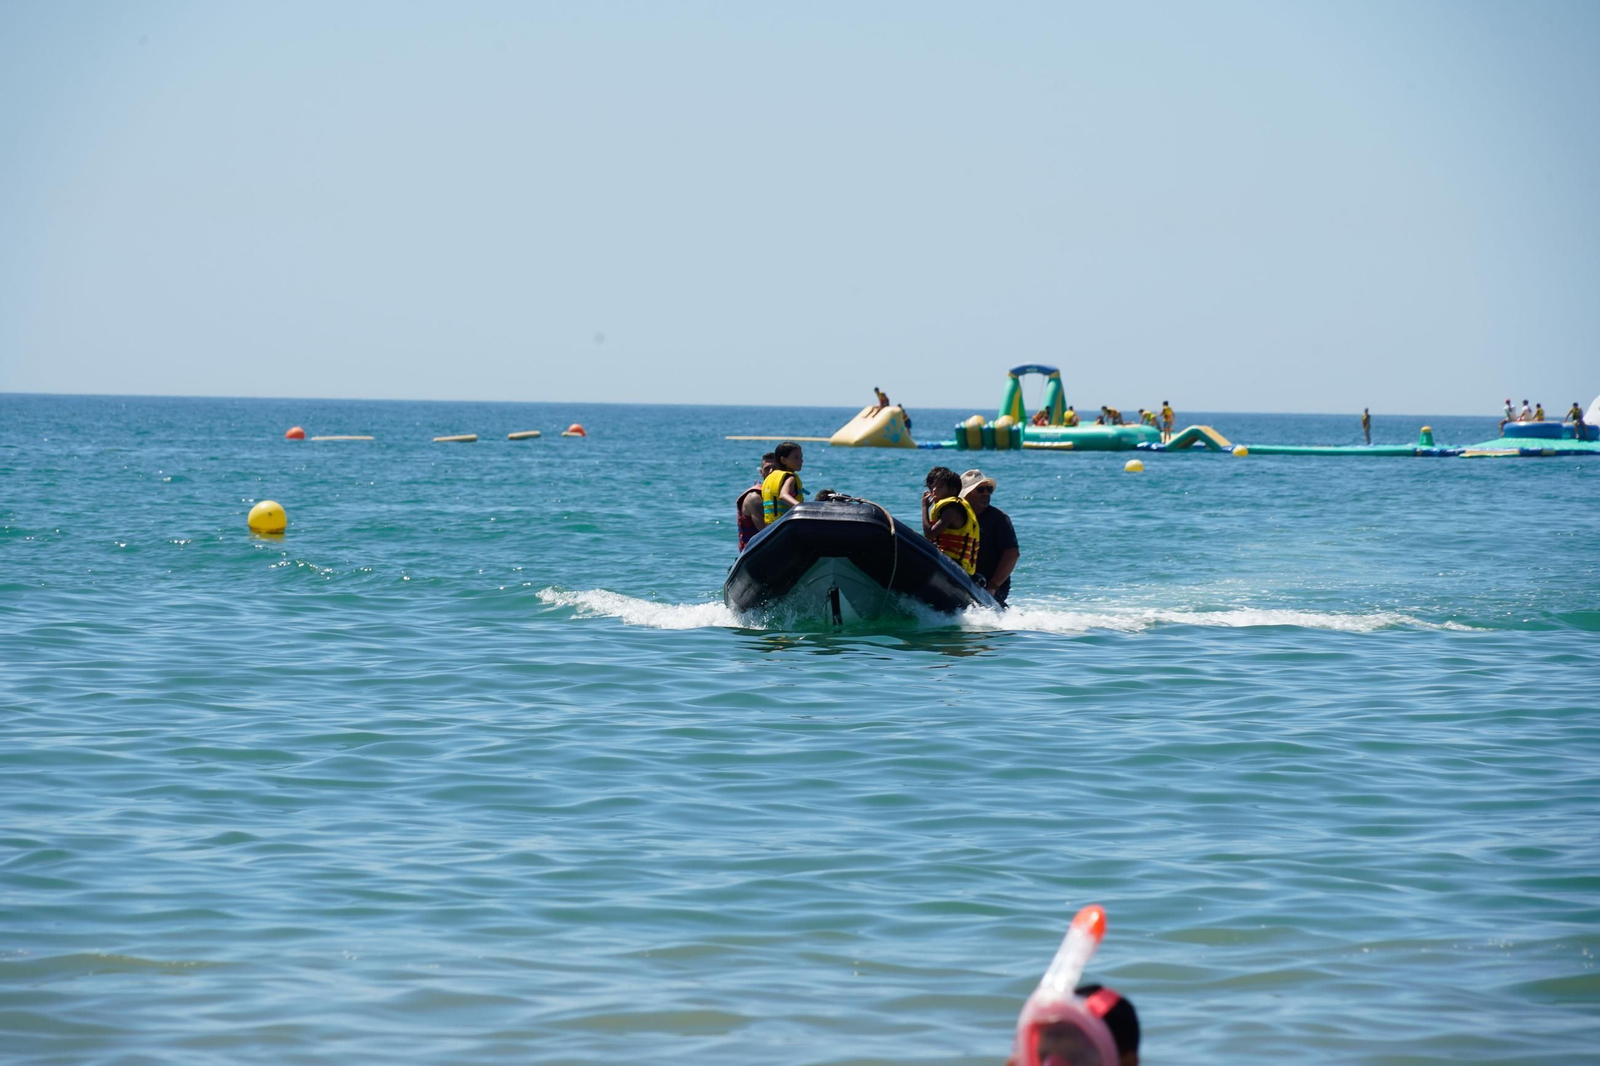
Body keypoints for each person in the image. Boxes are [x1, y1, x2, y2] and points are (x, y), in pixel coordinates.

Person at [961, 468, 1018, 607]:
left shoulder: (999, 518)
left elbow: (1012, 554)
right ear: (966, 494)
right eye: (980, 490)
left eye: (989, 489)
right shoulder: (956, 516)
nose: (986, 493)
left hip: (991, 587)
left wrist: (992, 587)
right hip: (961, 578)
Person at [922, 466, 980, 576]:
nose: (934, 490)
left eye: (939, 487)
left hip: (954, 566)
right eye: (933, 487)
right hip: (952, 563)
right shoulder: (950, 508)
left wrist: (924, 508)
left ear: (953, 490)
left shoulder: (952, 510)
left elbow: (929, 534)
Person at [736, 453, 777, 551]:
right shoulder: (754, 498)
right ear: (761, 472)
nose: (771, 472)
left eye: (775, 468)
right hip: (755, 552)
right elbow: (765, 533)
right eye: (767, 468)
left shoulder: (784, 494)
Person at [761, 441, 805, 524]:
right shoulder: (790, 478)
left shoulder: (769, 477)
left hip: (770, 526)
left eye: (801, 457)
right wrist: (803, 508)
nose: (801, 461)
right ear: (783, 460)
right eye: (796, 457)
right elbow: (783, 495)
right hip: (785, 524)